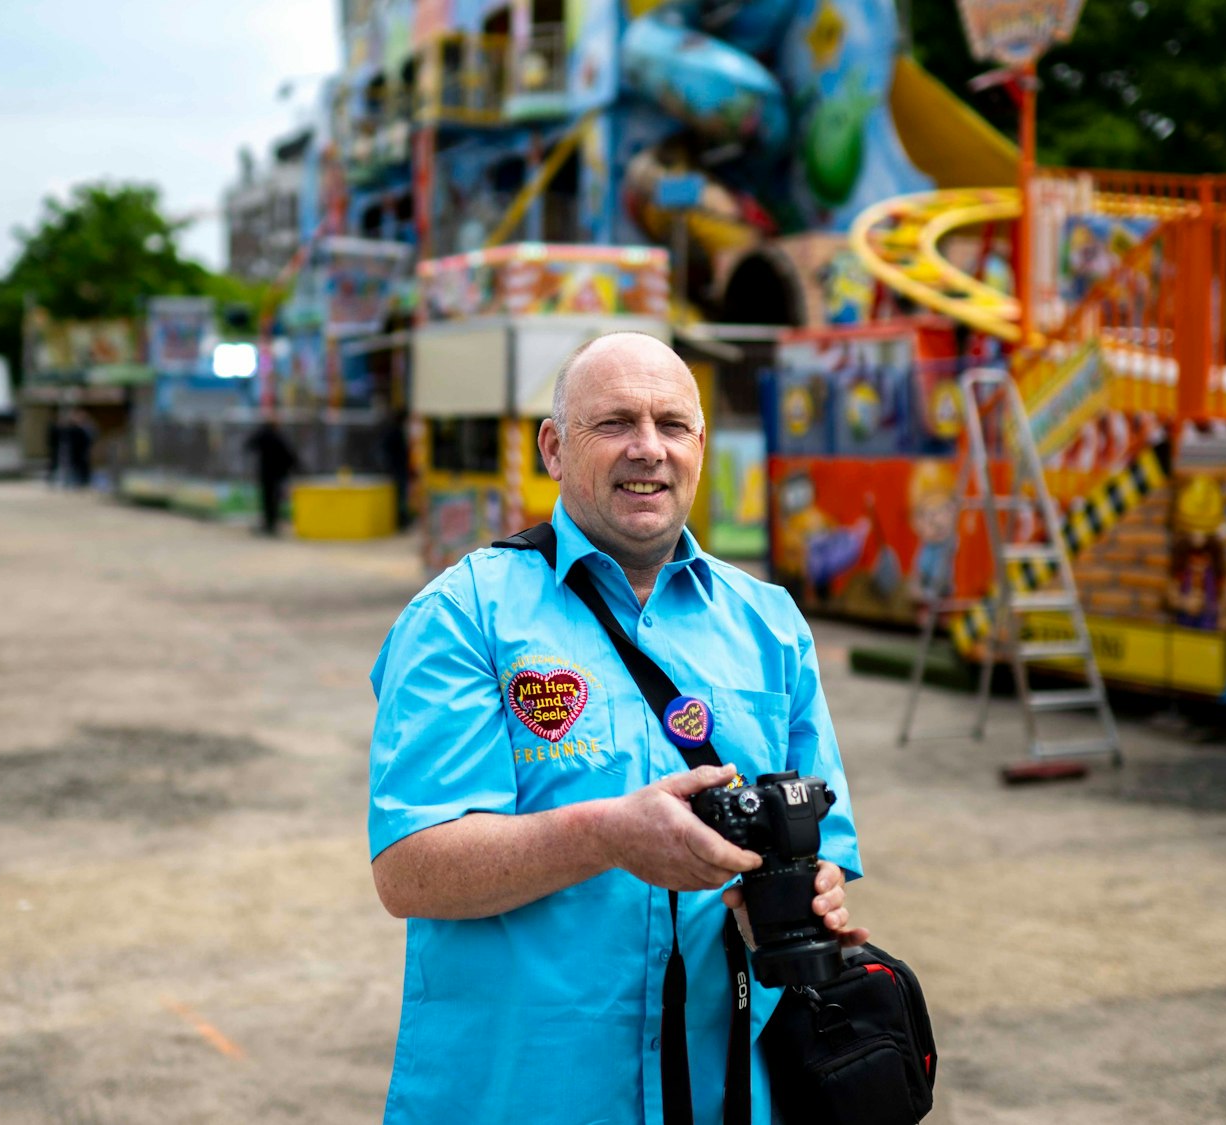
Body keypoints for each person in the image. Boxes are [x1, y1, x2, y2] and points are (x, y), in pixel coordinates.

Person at [367, 332, 867, 1124]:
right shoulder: (464, 615)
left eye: (672, 424)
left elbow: (823, 848)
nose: (648, 449)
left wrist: (808, 895)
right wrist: (607, 835)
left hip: (730, 1092)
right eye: (615, 423)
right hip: (524, 1095)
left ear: (700, 444)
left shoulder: (771, 625)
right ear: (553, 448)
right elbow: (409, 869)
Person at [244, 414, 298, 535]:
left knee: (267, 499)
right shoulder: (278, 437)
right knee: (274, 500)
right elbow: (289, 455)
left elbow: (249, 444)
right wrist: (293, 468)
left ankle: (268, 524)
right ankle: (272, 524)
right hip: (277, 473)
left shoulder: (262, 435)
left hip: (266, 473)